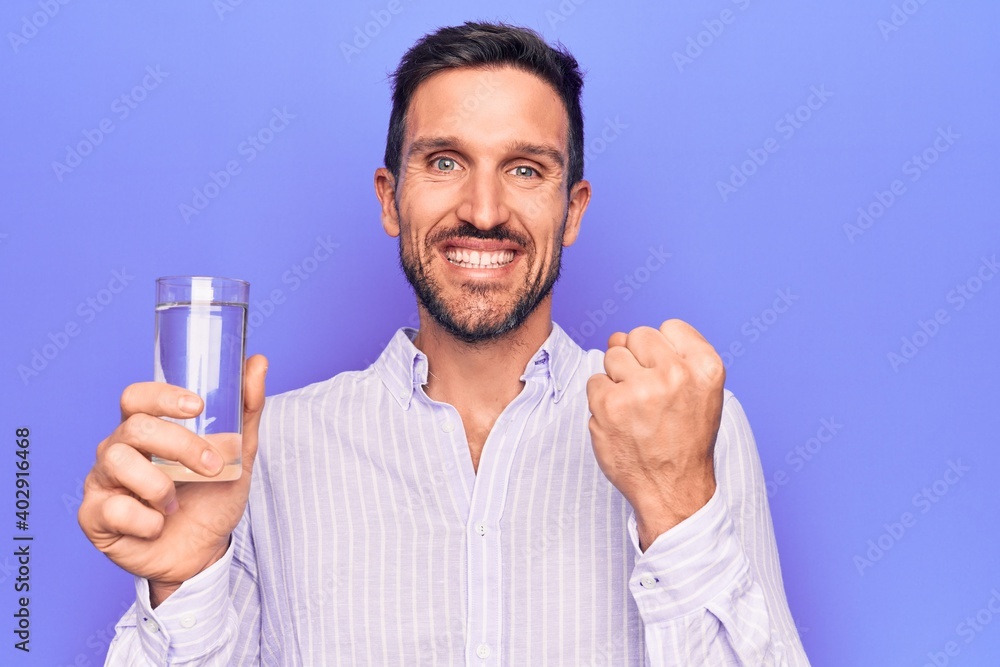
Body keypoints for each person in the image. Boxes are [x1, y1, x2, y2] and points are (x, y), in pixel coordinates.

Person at [80, 22, 810, 665]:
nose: (484, 211)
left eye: (525, 169)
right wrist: (183, 580)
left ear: (573, 209)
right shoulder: (262, 454)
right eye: (444, 162)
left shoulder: (690, 431)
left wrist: (677, 501)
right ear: (389, 198)